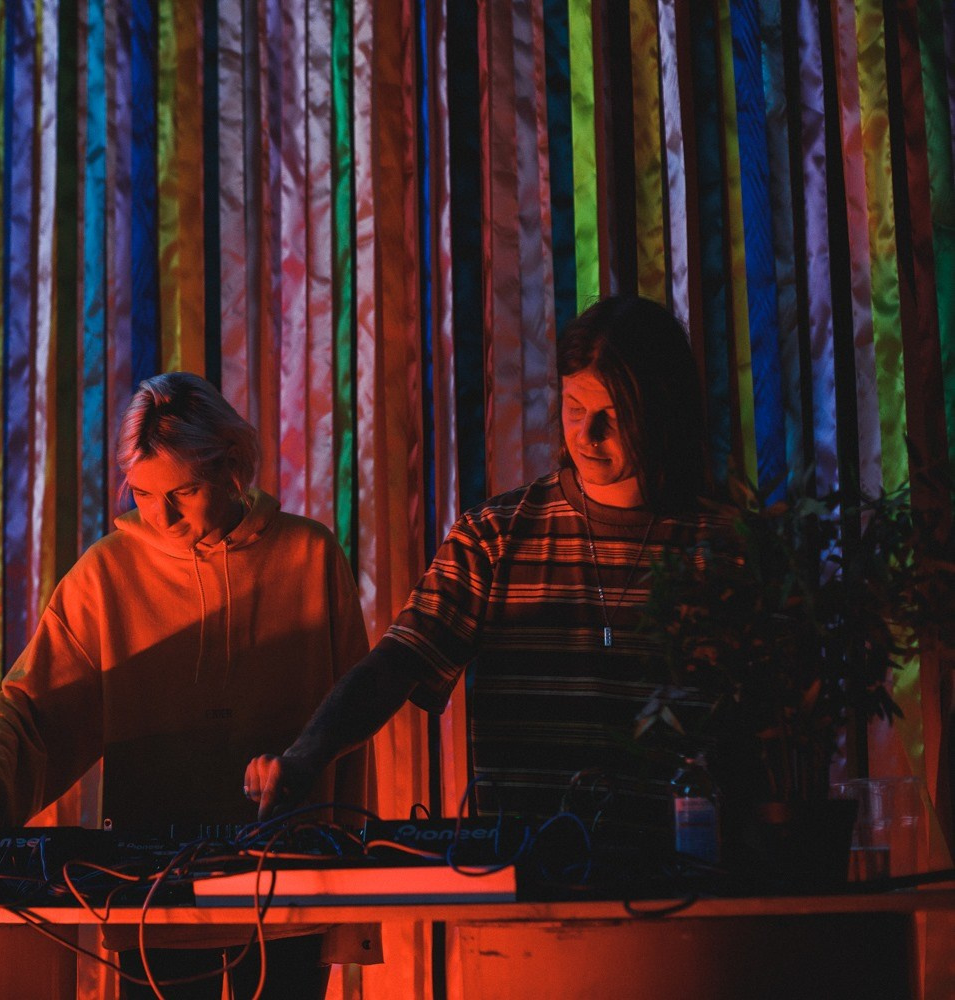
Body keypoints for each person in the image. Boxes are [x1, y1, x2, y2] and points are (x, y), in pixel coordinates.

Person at [0, 371, 375, 1000]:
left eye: (184, 492)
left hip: (292, 883)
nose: (162, 516)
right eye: (144, 493)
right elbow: (34, 707)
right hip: (153, 891)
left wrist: (349, 873)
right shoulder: (105, 575)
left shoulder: (310, 557)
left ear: (231, 464)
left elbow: (353, 716)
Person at [245, 295, 721, 847]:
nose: (587, 435)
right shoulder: (495, 535)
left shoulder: (725, 549)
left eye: (613, 416)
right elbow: (398, 661)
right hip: (524, 867)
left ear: (663, 411)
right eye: (574, 408)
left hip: (688, 867)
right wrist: (305, 757)